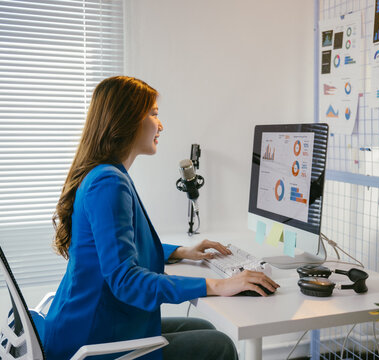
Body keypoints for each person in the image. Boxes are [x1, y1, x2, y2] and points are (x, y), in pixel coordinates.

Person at [43, 76, 279, 360]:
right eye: (154, 114)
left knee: (204, 326)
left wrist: (182, 252)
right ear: (127, 120)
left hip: (89, 325)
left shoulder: (105, 174)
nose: (161, 124)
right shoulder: (108, 182)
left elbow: (117, 249)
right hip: (91, 342)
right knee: (220, 346)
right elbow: (125, 279)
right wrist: (218, 285)